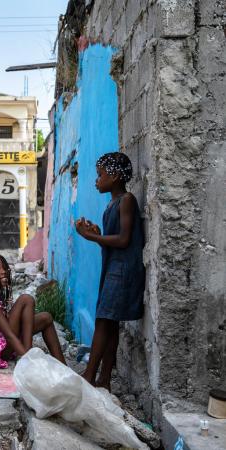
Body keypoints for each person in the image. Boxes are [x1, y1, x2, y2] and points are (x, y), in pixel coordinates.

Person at [75, 152, 145, 390]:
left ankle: (89, 374)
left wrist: (93, 236)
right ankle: (104, 379)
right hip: (114, 268)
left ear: (114, 176)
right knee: (111, 323)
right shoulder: (112, 205)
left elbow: (124, 239)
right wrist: (96, 235)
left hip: (123, 270)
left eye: (100, 175)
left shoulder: (126, 200)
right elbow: (111, 239)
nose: (96, 180)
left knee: (104, 320)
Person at [0, 252, 66, 368]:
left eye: (4, 267)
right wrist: (27, 359)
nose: (3, 271)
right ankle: (27, 355)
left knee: (46, 317)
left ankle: (64, 368)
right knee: (26, 299)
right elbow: (8, 335)